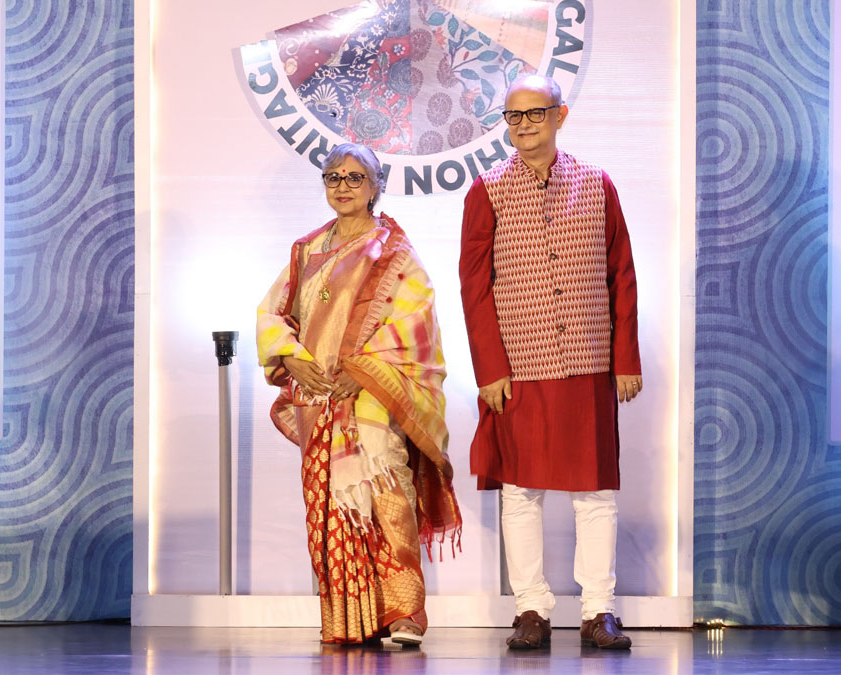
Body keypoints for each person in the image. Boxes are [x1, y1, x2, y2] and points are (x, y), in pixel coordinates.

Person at [459, 75, 642, 650]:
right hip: (519, 363)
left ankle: (598, 610)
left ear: (560, 115)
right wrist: (489, 368)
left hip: (587, 357)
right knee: (522, 489)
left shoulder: (596, 183)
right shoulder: (486, 190)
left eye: (535, 114)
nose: (524, 125)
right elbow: (474, 286)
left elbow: (622, 274)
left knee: (594, 492)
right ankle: (531, 608)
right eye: (513, 117)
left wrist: (625, 357)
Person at [257, 143, 462, 646]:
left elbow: (416, 328)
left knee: (387, 499)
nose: (343, 186)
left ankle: (405, 612)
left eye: (355, 177)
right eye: (333, 177)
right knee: (330, 509)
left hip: (370, 402)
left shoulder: (392, 252)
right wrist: (291, 358)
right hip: (318, 399)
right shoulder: (306, 250)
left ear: (375, 187)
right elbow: (271, 314)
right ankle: (352, 620)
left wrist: (365, 372)